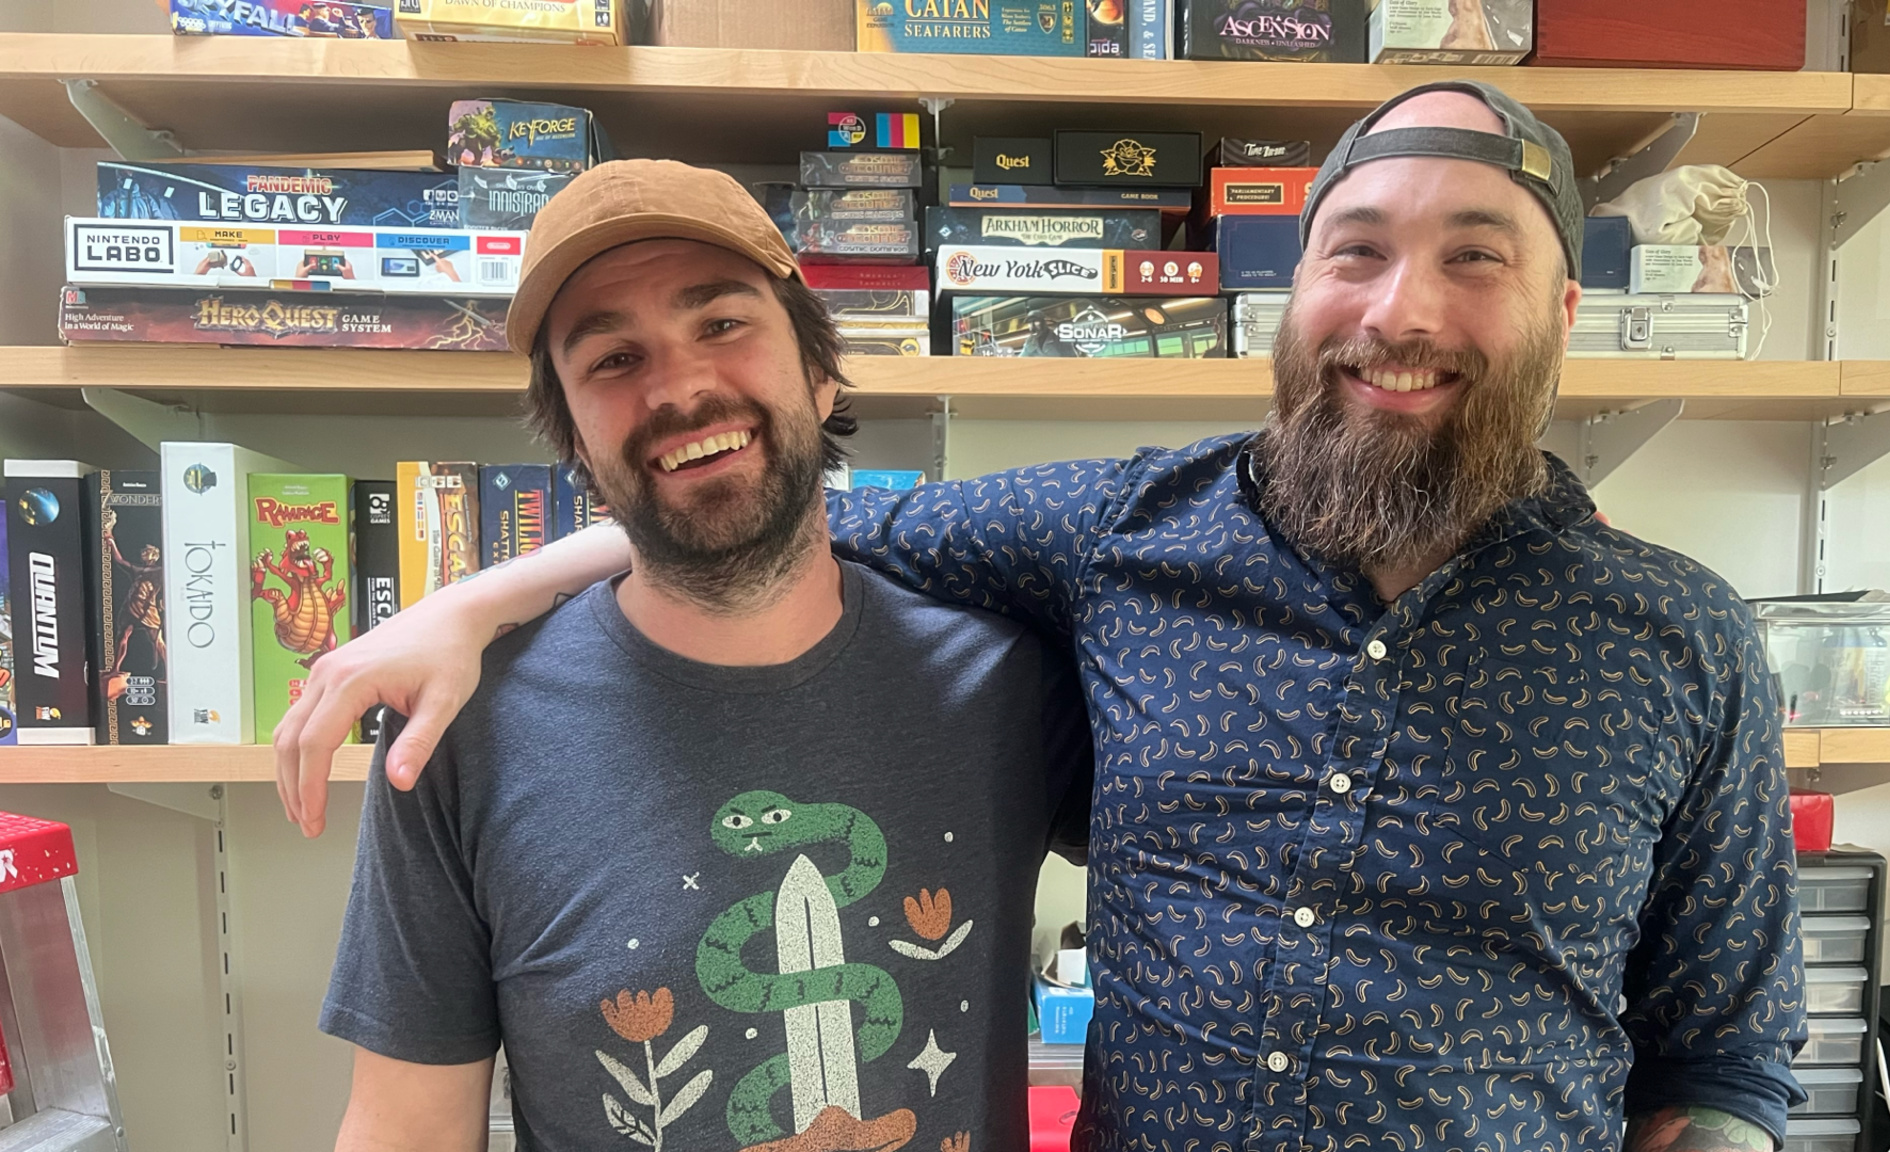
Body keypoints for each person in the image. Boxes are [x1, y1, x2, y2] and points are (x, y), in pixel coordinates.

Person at [282, 82, 1808, 1152]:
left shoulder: (1679, 641)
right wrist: (479, 597)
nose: (1400, 311)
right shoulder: (1115, 537)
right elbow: (768, 512)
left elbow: (1724, 1054)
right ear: (1296, 292)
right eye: (1357, 252)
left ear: (1560, 309)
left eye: (1476, 255)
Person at [315, 159, 1088, 1152]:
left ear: (819, 372)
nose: (679, 387)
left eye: (721, 324)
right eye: (610, 360)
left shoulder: (1004, 687)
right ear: (576, 447)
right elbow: (404, 1131)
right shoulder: (456, 735)